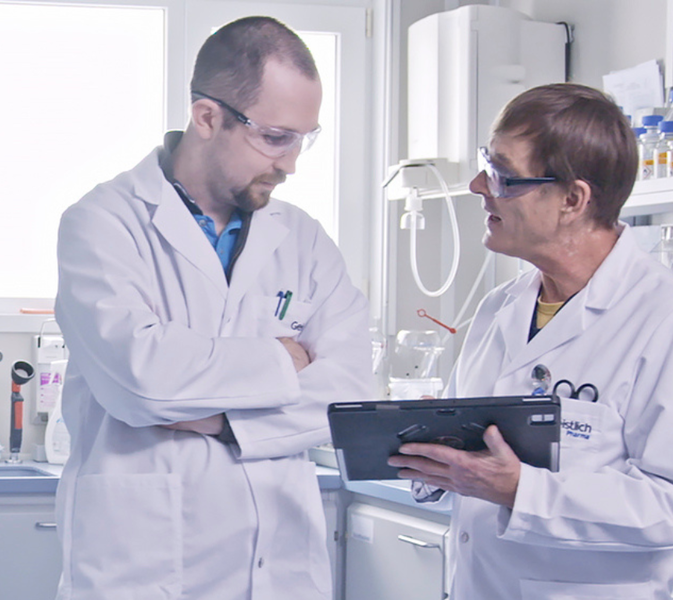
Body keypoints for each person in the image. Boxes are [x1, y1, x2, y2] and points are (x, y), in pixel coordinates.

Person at [53, 16, 373, 600]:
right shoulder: (103, 224)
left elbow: (348, 396)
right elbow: (143, 381)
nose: (291, 163)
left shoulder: (305, 240)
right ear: (207, 117)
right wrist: (282, 360)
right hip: (147, 570)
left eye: (304, 138)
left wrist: (222, 422)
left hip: (280, 571)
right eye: (275, 138)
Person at [389, 83, 673, 599]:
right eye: (486, 164)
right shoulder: (500, 306)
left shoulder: (660, 317)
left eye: (502, 175)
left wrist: (523, 491)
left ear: (572, 200)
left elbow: (667, 505)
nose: (478, 185)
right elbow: (464, 445)